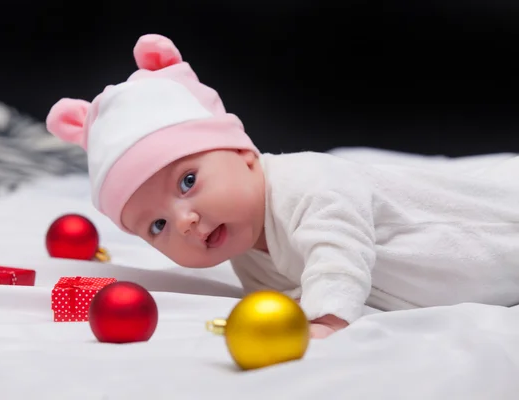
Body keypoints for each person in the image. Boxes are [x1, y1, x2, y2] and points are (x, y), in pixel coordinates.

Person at [46, 34, 519, 339]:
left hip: (500, 226)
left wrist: (327, 319)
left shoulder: (311, 181)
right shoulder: (245, 253)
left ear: (244, 153)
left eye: (187, 181)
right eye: (156, 225)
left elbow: (339, 254)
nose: (184, 222)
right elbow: (296, 289)